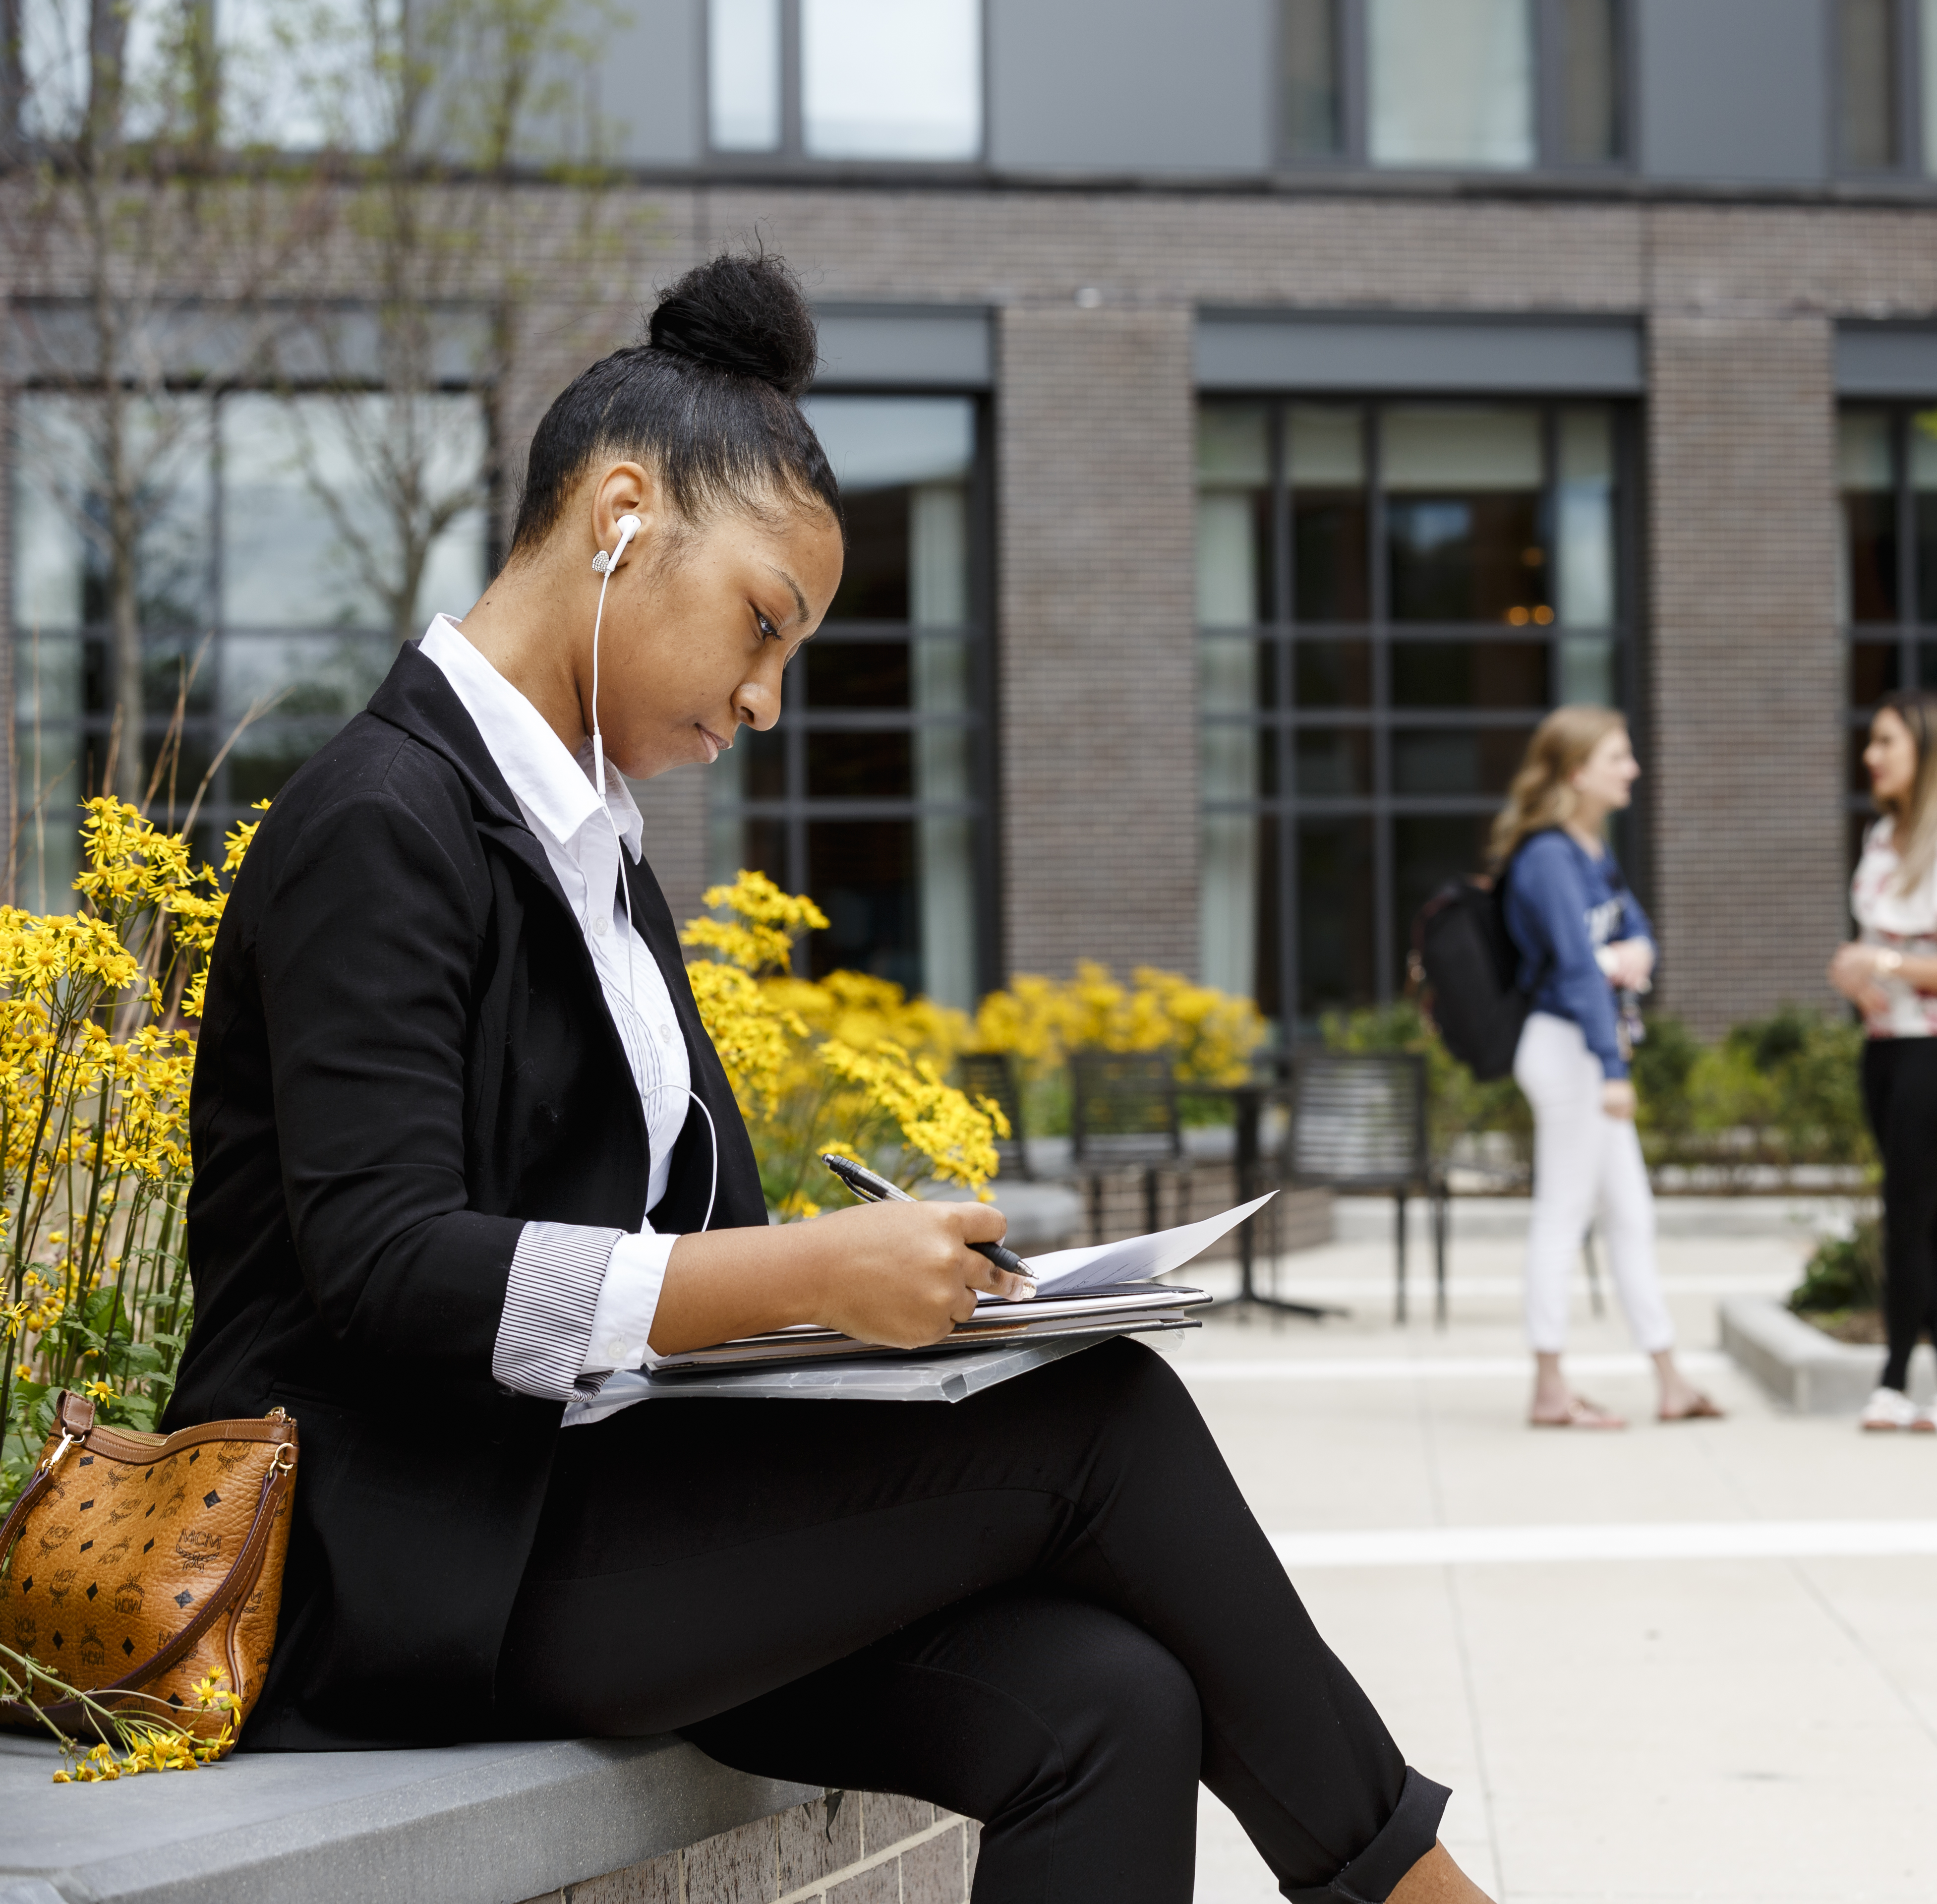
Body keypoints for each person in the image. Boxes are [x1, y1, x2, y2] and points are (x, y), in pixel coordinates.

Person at [162, 253, 1493, 1904]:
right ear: (621, 519)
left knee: (1110, 1703)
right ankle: (1414, 1886)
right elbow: (383, 1269)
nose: (766, 700)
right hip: (406, 1555)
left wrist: (922, 1310)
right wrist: (814, 1272)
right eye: (765, 626)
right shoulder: (380, 820)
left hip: (575, 1523)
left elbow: (686, 1255)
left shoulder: (592, 861)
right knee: (1103, 1424)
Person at [1493, 707, 1719, 1429]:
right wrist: (1612, 1066)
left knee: (1631, 1214)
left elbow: (1638, 935)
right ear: (1576, 772)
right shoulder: (1547, 858)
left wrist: (1628, 957)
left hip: (1586, 1049)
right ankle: (1550, 1388)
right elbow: (1577, 971)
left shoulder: (1592, 852)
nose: (1633, 770)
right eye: (1619, 758)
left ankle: (1670, 1378)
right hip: (1567, 1050)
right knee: (1564, 1214)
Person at [1827, 690, 1937, 1437]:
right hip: (1888, 1049)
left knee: (1907, 1211)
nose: (1870, 756)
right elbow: (1891, 956)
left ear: (1925, 755)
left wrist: (1886, 962)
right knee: (1927, 1213)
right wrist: (1863, 981)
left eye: (1886, 744)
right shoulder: (1882, 840)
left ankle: (1896, 1377)